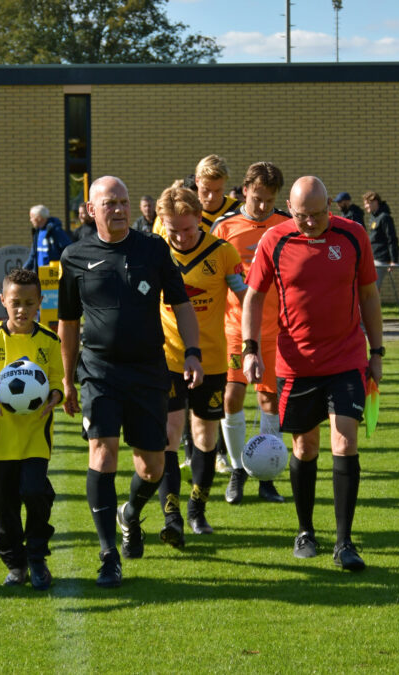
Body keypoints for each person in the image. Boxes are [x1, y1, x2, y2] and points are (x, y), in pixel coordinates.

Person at [58, 176, 203, 588]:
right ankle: (107, 554)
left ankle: (130, 513)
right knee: (102, 453)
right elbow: (67, 323)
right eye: (110, 203)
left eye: (123, 201)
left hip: (148, 371)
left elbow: (181, 304)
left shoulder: (153, 249)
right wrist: (67, 379)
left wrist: (192, 353)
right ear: (91, 210)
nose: (119, 209)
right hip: (98, 371)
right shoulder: (73, 256)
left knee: (153, 465)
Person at [242, 176, 382, 573]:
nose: (310, 223)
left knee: (345, 440)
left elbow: (370, 295)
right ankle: (305, 531)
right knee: (304, 448)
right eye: (302, 216)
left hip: (347, 357)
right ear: (290, 206)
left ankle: (344, 542)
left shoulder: (353, 236)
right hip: (297, 363)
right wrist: (250, 350)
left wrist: (378, 352)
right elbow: (254, 296)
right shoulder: (275, 240)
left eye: (318, 215)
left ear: (329, 209)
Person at [154, 185, 245, 546]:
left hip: (212, 359)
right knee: (169, 436)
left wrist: (258, 333)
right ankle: (172, 515)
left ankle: (197, 509)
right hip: (167, 358)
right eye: (173, 230)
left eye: (188, 229)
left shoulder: (222, 253)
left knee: (206, 437)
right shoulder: (155, 252)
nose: (181, 237)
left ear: (200, 222)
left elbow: (244, 294)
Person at [0, 268, 63, 590]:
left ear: (39, 304)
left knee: (35, 492)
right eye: (15, 302)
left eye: (29, 303)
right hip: (0, 439)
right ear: (3, 301)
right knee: (5, 506)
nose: (22, 309)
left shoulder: (49, 341)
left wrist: (55, 396)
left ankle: (36, 555)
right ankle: (15, 564)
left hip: (35, 435)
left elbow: (59, 379)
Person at [211, 162, 288, 505]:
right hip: (234, 328)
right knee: (231, 396)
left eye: (269, 200)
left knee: (269, 398)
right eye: (257, 198)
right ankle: (239, 470)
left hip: (275, 330)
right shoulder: (224, 227)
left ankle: (267, 476)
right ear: (245, 191)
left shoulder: (287, 224)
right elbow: (211, 274)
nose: (262, 206)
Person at [362, 191, 399, 290]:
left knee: (373, 289)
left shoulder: (385, 218)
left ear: (374, 202)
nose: (365, 206)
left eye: (367, 203)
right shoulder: (374, 218)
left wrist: (394, 260)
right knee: (371, 289)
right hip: (373, 257)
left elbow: (391, 239)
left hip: (381, 259)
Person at [23, 205, 72, 270]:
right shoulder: (37, 233)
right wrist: (24, 269)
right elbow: (33, 255)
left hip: (54, 274)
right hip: (40, 274)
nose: (30, 220)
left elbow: (68, 250)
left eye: (32, 217)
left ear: (39, 217)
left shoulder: (55, 231)